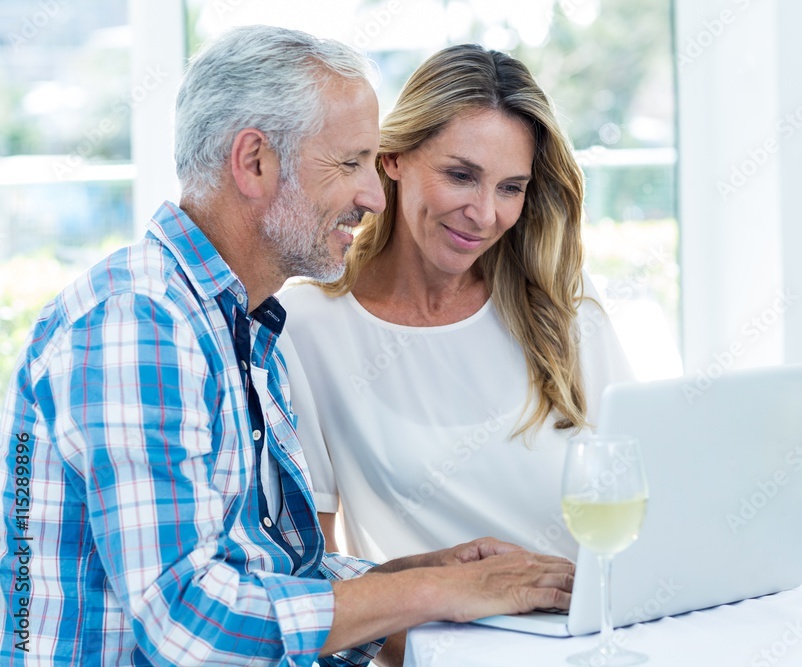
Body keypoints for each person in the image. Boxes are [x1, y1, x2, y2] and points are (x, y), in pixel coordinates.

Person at [0, 26, 573, 667]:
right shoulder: (137, 324)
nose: (374, 197)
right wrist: (435, 590)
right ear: (255, 162)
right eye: (350, 162)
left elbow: (261, 575)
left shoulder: (236, 323)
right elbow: (193, 625)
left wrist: (420, 574)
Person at [281, 44, 633, 564]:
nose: (484, 214)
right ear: (393, 159)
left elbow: (635, 481)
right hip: (431, 644)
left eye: (510, 187)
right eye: (461, 176)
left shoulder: (561, 300)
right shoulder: (307, 325)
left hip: (586, 633)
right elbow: (315, 568)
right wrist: (421, 647)